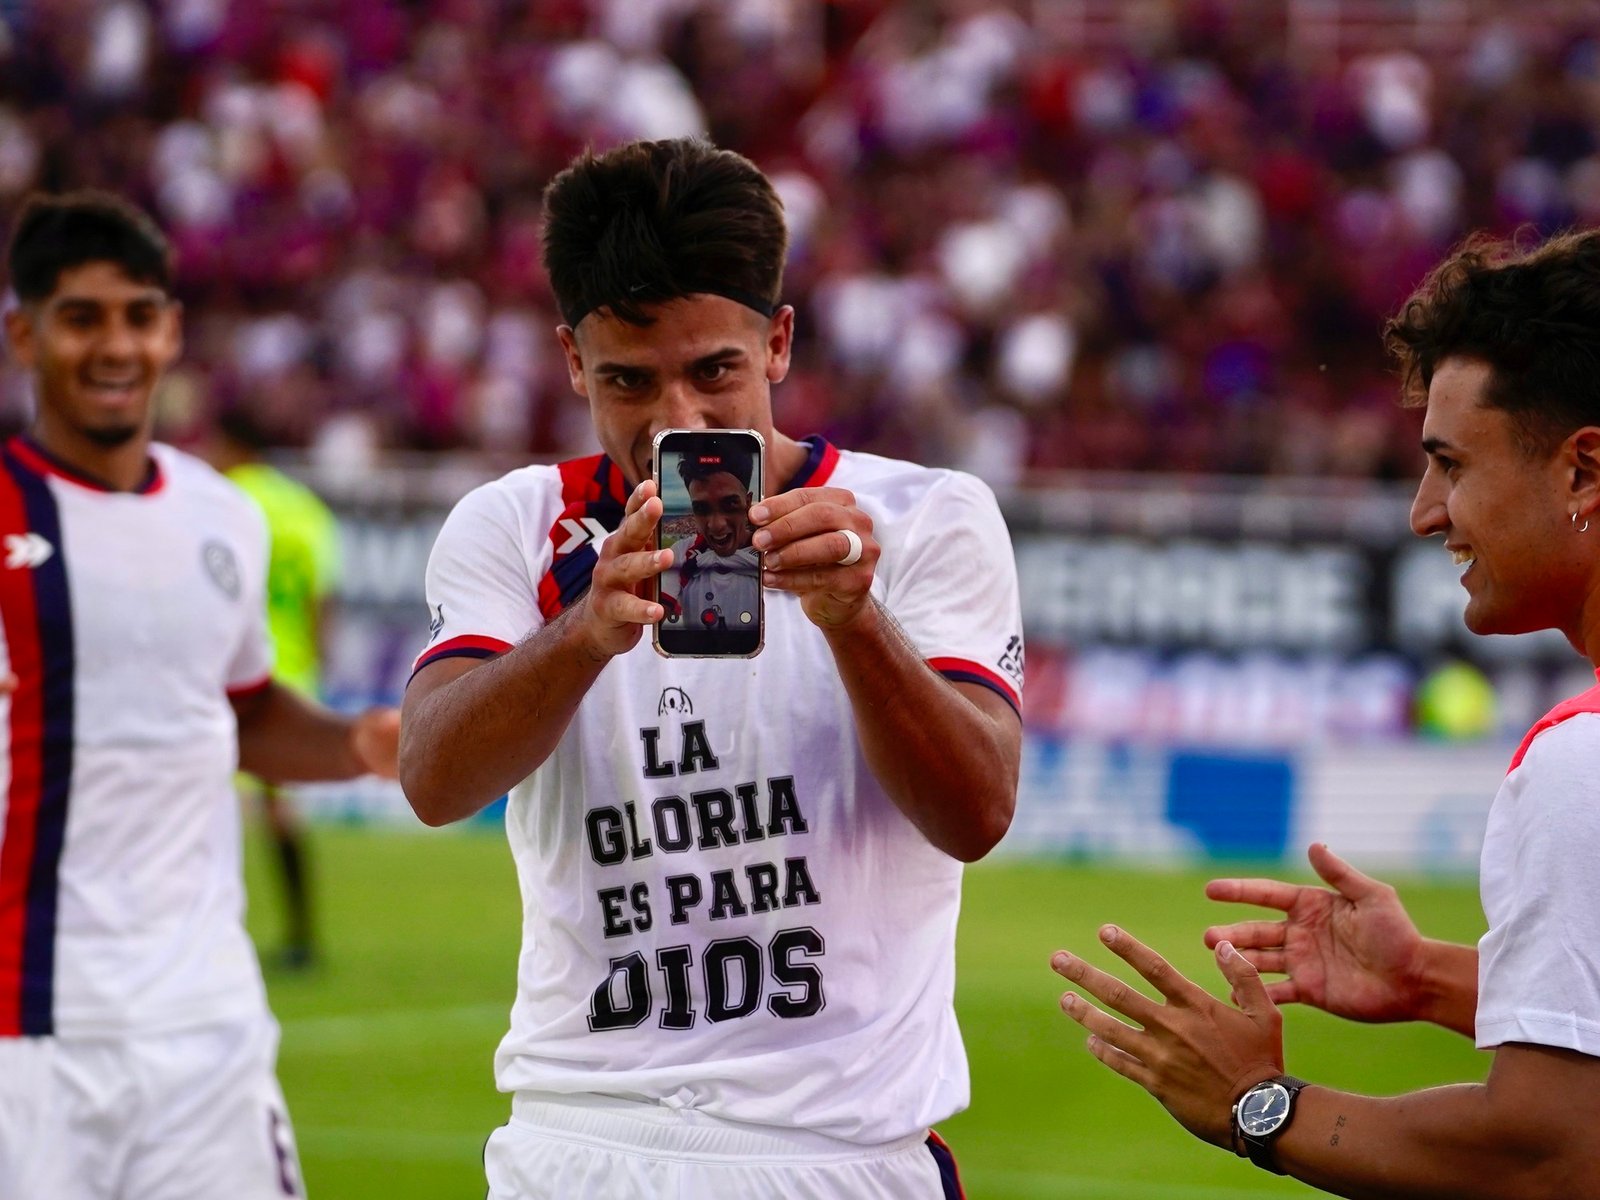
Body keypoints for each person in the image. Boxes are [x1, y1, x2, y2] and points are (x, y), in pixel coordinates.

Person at [400, 136, 1025, 1199]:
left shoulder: (923, 518)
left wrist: (853, 621)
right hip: (580, 1141)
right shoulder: (517, 524)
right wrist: (586, 633)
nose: (676, 422)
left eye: (714, 371)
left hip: (838, 1151)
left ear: (778, 342)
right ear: (570, 362)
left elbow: (976, 812)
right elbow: (433, 777)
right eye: (628, 382)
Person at [1049, 228, 1600, 1195]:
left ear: (1584, 472)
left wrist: (1252, 1101)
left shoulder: (1580, 766)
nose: (1425, 512)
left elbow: (1553, 1156)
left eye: (1452, 465)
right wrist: (1430, 979)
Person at [0, 190, 399, 1199]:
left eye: (139, 315)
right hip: (30, 1032)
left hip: (206, 1030)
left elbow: (244, 711)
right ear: (23, 334)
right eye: (81, 317)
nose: (115, 345)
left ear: (172, 330)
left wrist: (361, 744)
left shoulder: (224, 519)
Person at [208, 405, 343, 969]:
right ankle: (301, 936)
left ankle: (213, 936)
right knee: (281, 810)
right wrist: (317, 660)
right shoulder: (305, 509)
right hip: (294, 672)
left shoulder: (222, 500)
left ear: (234, 447)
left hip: (232, 668)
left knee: (214, 805)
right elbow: (322, 598)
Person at [660, 443, 760, 632]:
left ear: (747, 502)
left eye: (730, 504)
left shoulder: (771, 554)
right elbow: (656, 617)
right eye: (702, 509)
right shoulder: (681, 555)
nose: (716, 524)